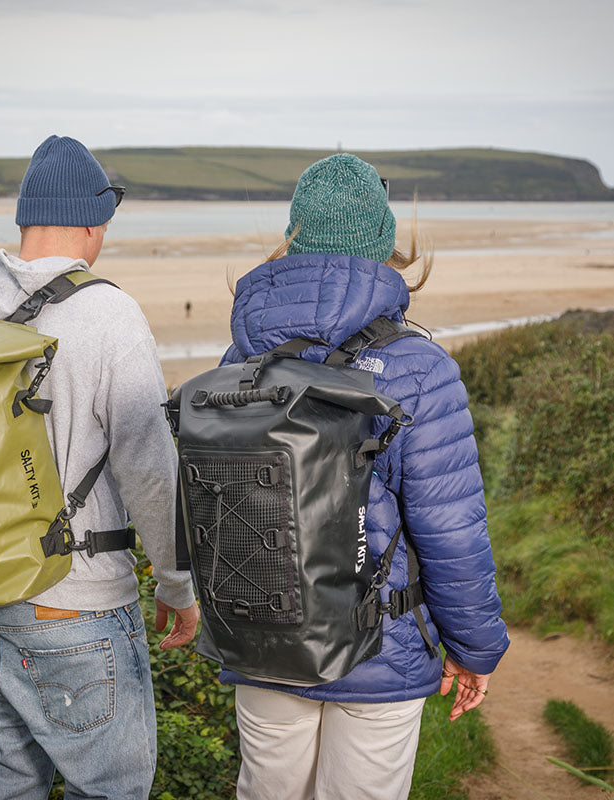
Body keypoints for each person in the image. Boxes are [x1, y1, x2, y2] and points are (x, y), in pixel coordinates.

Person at [0, 134, 200, 799]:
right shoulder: (109, 315)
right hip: (79, 608)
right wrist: (177, 585)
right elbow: (150, 468)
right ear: (94, 223)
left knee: (7, 789)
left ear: (25, 219)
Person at [218, 154, 509, 800]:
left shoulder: (240, 356)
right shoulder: (420, 369)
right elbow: (451, 531)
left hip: (263, 639)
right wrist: (473, 648)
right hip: (379, 650)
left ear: (294, 237)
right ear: (383, 245)